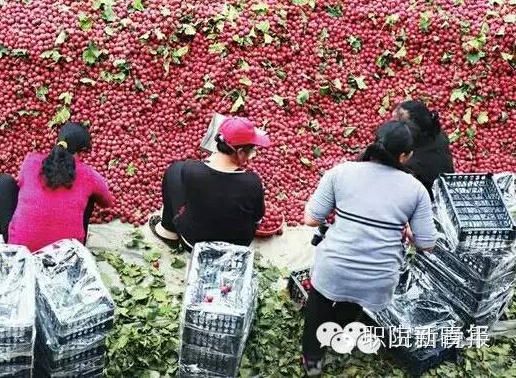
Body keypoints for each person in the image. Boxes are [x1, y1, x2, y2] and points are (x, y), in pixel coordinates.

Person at [301, 120, 437, 376]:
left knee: (318, 306)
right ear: (405, 156)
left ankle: (312, 360)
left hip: (334, 268)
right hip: (378, 279)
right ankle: (333, 336)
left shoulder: (341, 172)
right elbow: (427, 244)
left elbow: (311, 219)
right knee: (352, 303)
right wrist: (407, 231)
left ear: (374, 143)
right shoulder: (416, 190)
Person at [0, 122, 114, 252]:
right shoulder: (89, 175)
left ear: (57, 142)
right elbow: (108, 202)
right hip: (68, 253)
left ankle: (4, 231)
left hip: (21, 250)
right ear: (82, 151)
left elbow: (22, 188)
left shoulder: (31, 161)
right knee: (91, 194)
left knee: (4, 182)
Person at [148, 116, 269, 249]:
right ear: (240, 153)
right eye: (251, 151)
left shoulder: (190, 170)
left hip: (193, 243)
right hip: (236, 247)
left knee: (174, 171)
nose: (251, 155)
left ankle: (168, 232)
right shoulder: (252, 182)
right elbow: (257, 217)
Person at [393, 100, 454, 195]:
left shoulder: (411, 162)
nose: (393, 115)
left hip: (429, 195)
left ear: (413, 126)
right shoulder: (437, 133)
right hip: (446, 183)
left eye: (400, 116)